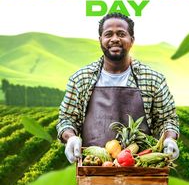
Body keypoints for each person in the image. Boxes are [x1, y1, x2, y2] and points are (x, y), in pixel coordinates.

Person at [56, 13, 179, 163]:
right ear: (100, 39)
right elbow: (67, 119)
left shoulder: (153, 79)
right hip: (93, 168)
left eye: (121, 34)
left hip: (141, 170)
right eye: (108, 34)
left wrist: (169, 139)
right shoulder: (81, 79)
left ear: (132, 40)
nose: (115, 39)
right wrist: (71, 138)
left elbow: (167, 119)